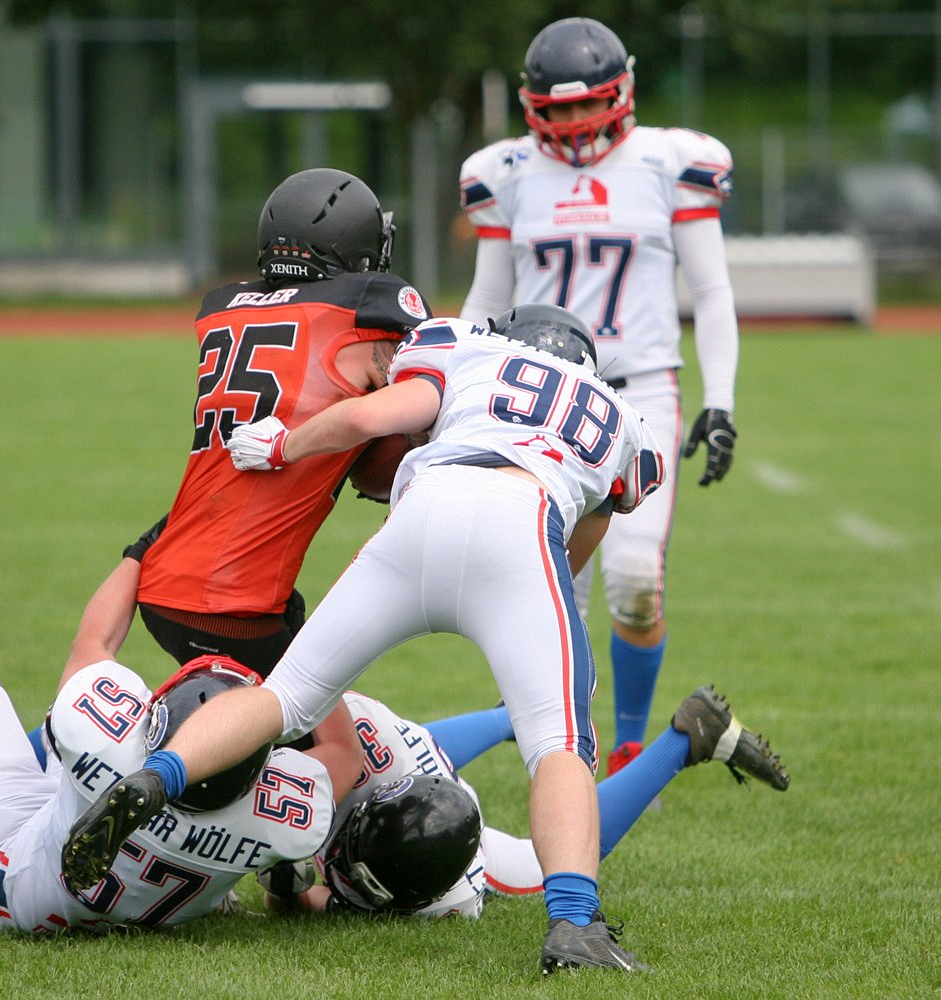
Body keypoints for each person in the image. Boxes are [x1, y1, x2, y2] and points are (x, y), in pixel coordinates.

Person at [61, 306, 669, 973]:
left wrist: (282, 446)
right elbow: (583, 540)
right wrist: (520, 615)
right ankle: (575, 924)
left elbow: (364, 420)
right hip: (525, 524)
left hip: (426, 509)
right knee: (559, 744)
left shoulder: (470, 348)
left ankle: (156, 776)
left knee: (285, 698)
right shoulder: (623, 421)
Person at [0, 424, 343, 933]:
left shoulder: (111, 742)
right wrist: (286, 645)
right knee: (67, 748)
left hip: (15, 877)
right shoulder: (289, 812)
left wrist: (148, 548)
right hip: (151, 899)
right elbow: (340, 752)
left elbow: (94, 642)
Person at [457, 17, 741, 776]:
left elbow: (712, 290)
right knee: (555, 588)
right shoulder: (508, 174)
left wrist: (720, 399)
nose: (578, 121)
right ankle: (568, 754)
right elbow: (486, 301)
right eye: (562, 108)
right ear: (534, 106)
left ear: (621, 96)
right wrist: (454, 387)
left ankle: (627, 743)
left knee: (637, 579)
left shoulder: (668, 163)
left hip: (642, 390)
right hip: (542, 396)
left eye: (590, 104)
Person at [130, 166, 431, 676]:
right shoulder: (367, 309)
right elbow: (440, 382)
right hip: (234, 604)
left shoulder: (220, 309)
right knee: (331, 729)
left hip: (165, 579)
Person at [262, 685, 789, 921]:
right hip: (401, 759)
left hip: (422, 783)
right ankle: (516, 717)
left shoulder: (453, 895)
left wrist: (287, 888)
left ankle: (686, 741)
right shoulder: (369, 740)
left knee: (556, 858)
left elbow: (308, 903)